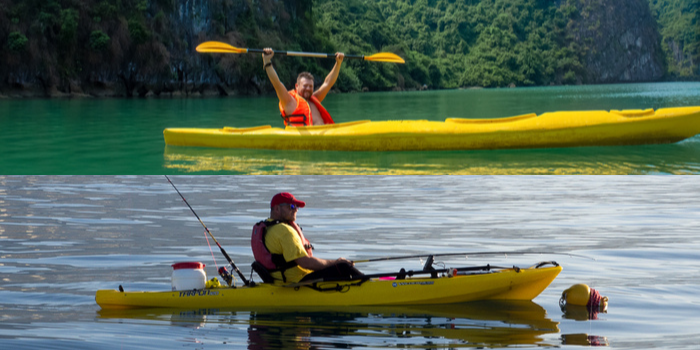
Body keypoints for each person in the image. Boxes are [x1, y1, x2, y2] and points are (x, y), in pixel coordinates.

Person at [251, 192, 364, 284]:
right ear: (277, 209)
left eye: (296, 207)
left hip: (278, 280)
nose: (295, 209)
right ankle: (370, 285)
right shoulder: (284, 230)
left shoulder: (267, 228)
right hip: (297, 280)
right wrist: (336, 262)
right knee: (343, 267)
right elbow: (305, 263)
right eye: (291, 206)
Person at [262, 48, 345, 127]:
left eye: (311, 86)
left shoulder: (315, 98)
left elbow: (328, 83)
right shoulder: (288, 100)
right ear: (296, 86)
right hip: (302, 139)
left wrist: (338, 63)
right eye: (305, 86)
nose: (308, 89)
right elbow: (277, 83)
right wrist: (267, 61)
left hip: (322, 138)